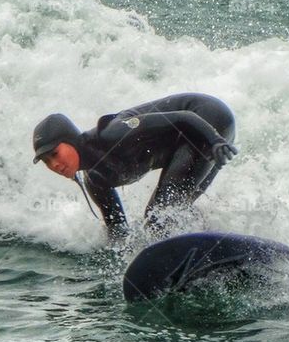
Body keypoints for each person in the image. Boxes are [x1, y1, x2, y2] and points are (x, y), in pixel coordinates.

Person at [32, 93, 238, 240]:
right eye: (47, 161)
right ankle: (212, 241)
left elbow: (184, 118)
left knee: (159, 215)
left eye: (54, 154)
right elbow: (118, 232)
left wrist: (215, 141)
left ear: (70, 140)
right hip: (197, 140)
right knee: (174, 213)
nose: (54, 164)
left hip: (207, 122)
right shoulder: (95, 181)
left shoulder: (114, 134)